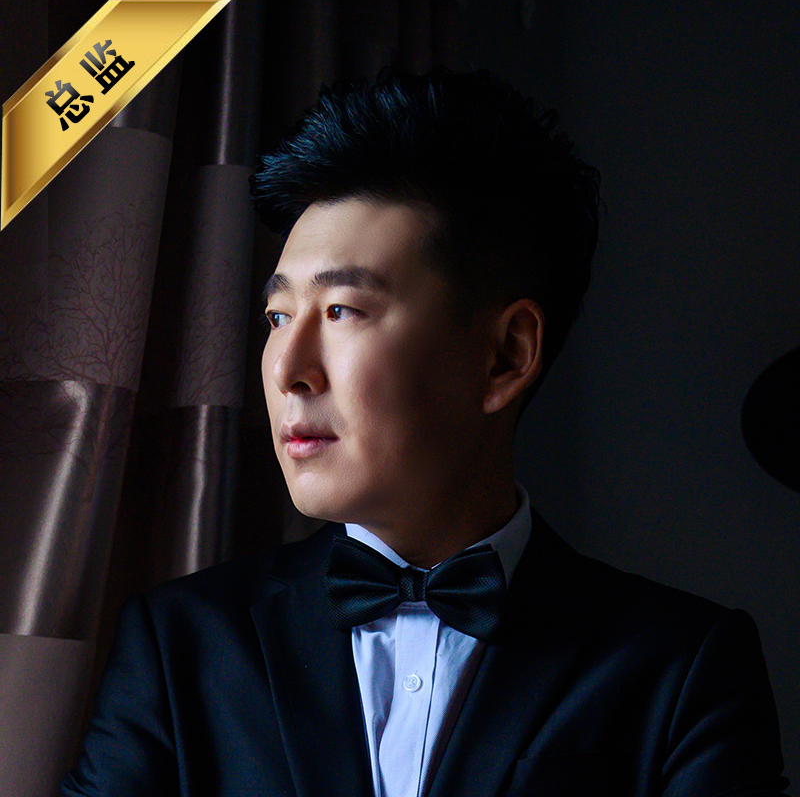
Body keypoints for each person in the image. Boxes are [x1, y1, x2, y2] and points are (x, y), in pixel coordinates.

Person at [61, 67, 788, 796]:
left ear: (505, 356)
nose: (287, 370)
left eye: (342, 311)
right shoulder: (178, 644)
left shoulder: (680, 667)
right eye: (278, 317)